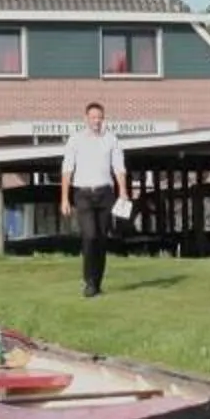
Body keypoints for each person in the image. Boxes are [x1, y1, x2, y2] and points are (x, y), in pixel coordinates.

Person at [58, 101, 129, 298]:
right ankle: (89, 281)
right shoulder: (75, 140)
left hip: (105, 193)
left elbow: (119, 167)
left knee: (102, 239)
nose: (96, 121)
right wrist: (64, 199)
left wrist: (123, 190)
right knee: (89, 236)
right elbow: (67, 170)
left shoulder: (111, 140)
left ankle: (97, 282)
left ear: (103, 119)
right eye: (93, 117)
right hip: (83, 194)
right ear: (86, 119)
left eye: (99, 117)